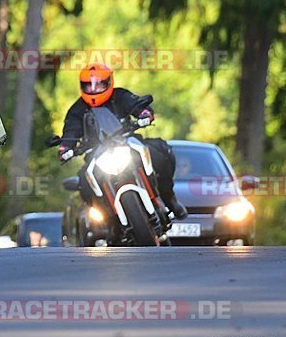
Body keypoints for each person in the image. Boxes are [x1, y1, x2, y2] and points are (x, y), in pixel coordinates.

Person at [57, 62, 188, 220]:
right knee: (84, 183)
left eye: (99, 85)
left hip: (126, 142)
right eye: (88, 86)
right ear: (81, 86)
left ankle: (169, 199)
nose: (94, 89)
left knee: (161, 153)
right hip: (96, 153)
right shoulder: (76, 110)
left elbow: (136, 105)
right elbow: (70, 131)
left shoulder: (120, 95)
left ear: (109, 82)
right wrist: (65, 148)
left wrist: (144, 113)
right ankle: (106, 221)